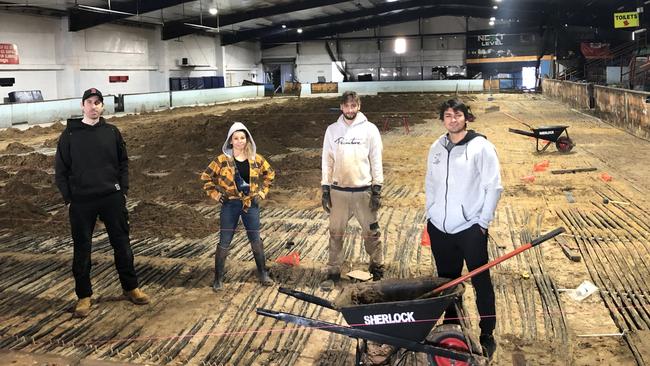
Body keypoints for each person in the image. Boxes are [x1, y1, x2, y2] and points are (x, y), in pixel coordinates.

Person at [54, 88, 149, 318]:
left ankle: (130, 288)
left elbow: (123, 163)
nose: (94, 106)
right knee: (82, 249)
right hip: (81, 201)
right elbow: (60, 170)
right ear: (82, 105)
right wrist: (69, 199)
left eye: (98, 102)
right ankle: (84, 296)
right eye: (90, 102)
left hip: (111, 197)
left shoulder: (112, 132)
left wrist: (122, 191)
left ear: (102, 106)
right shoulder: (69, 135)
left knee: (122, 244)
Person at [425, 98, 502, 359]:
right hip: (440, 228)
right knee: (448, 283)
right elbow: (430, 184)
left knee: (481, 283)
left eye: (457, 115)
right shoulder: (436, 147)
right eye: (448, 115)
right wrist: (431, 213)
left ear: (466, 117)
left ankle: (487, 333)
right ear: (443, 119)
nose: (453, 120)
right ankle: (452, 328)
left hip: (470, 229)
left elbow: (494, 187)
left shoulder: (481, 147)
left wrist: (482, 223)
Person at [201, 122, 275, 291]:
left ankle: (263, 273)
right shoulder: (222, 161)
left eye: (242, 138)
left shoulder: (256, 159)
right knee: (224, 241)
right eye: (236, 138)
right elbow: (206, 177)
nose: (240, 141)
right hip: (230, 205)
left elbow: (270, 174)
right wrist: (217, 195)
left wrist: (261, 193)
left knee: (255, 239)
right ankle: (218, 278)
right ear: (230, 141)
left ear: (247, 139)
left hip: (251, 204)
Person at [321, 91, 384, 289]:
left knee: (371, 233)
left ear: (359, 106)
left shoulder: (370, 130)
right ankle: (333, 272)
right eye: (347, 106)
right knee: (336, 233)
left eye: (353, 106)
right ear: (341, 107)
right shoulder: (332, 130)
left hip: (363, 190)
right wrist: (325, 187)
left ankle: (377, 268)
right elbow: (327, 160)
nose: (350, 110)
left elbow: (376, 158)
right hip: (338, 191)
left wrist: (377, 188)